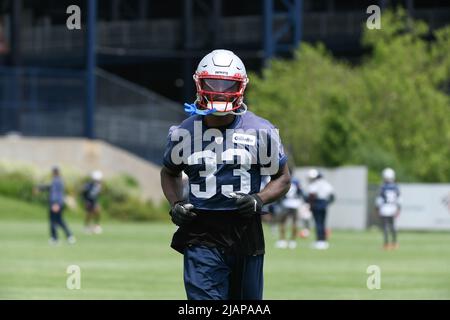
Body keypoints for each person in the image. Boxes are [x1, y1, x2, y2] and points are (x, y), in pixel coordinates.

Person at [160, 49, 291, 300]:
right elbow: (169, 172)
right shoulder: (183, 133)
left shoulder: (260, 131)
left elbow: (283, 177)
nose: (220, 91)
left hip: (245, 230)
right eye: (213, 83)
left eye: (227, 84)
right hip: (201, 231)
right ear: (200, 83)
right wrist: (176, 203)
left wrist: (259, 199)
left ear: (240, 86)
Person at [36, 166, 75, 245]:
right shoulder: (60, 180)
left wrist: (55, 204)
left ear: (54, 172)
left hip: (55, 204)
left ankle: (55, 238)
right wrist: (40, 188)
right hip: (59, 203)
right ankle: (69, 236)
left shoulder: (56, 181)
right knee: (60, 221)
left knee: (53, 221)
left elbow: (55, 193)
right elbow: (49, 187)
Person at [306, 168, 334, 250]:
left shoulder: (315, 183)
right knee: (323, 222)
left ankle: (319, 241)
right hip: (324, 203)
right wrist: (327, 203)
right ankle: (323, 241)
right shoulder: (326, 183)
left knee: (318, 223)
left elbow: (312, 195)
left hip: (317, 203)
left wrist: (311, 206)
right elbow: (332, 195)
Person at [375, 168, 401, 250]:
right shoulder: (396, 187)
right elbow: (399, 199)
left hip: (385, 208)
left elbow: (379, 199)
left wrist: (377, 208)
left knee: (385, 226)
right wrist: (398, 209)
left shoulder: (382, 187)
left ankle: (386, 244)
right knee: (393, 226)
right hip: (393, 208)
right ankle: (394, 243)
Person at [275, 176, 303, 249]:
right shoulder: (296, 181)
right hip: (295, 203)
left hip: (286, 203)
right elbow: (301, 192)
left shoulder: (285, 179)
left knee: (282, 222)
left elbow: (281, 191)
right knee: (294, 222)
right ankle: (292, 241)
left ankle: (282, 240)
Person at [82, 170, 103, 234]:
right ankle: (86, 226)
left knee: (98, 211)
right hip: (88, 201)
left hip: (94, 201)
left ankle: (97, 225)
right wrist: (86, 201)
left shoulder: (99, 185)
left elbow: (97, 194)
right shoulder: (89, 185)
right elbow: (84, 193)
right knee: (89, 214)